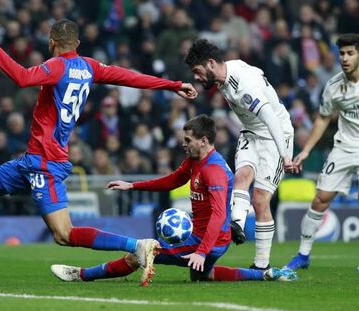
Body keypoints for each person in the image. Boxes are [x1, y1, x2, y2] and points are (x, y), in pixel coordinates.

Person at [0, 19, 198, 284]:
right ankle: (136, 245)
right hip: (31, 160)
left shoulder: (56, 66)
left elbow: (21, 77)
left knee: (64, 234)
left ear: (51, 41)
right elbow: (130, 77)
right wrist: (173, 85)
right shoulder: (90, 66)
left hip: (45, 162)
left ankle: (136, 245)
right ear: (77, 43)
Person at [51, 115, 297, 284]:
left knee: (141, 253)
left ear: (204, 141)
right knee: (202, 277)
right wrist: (132, 185)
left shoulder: (214, 171)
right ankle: (266, 275)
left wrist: (201, 252)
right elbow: (172, 180)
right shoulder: (195, 161)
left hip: (208, 240)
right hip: (205, 238)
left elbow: (220, 216)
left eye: (188, 140)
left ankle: (82, 275)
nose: (183, 144)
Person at [185, 39, 294, 270]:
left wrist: (284, 155)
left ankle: (261, 264)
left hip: (276, 137)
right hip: (251, 133)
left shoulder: (243, 85)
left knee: (260, 199)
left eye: (197, 71)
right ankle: (236, 224)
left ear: (211, 63)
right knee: (242, 177)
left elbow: (271, 118)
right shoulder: (225, 75)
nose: (196, 76)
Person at [285, 33, 359, 270]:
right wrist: (306, 150)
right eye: (342, 54)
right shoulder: (335, 86)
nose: (345, 58)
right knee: (320, 199)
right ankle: (303, 255)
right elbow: (323, 119)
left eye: (350, 53)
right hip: (345, 146)